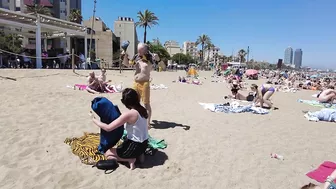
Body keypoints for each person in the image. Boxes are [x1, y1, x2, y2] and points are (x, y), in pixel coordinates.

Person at [92, 88, 149, 170]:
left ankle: (130, 159)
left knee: (107, 153)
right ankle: (139, 155)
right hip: (144, 144)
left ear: (124, 102)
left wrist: (94, 120)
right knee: (125, 144)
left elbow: (108, 128)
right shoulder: (142, 110)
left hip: (134, 146)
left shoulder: (130, 114)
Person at [121, 43, 159, 128]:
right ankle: (134, 118)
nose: (139, 52)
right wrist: (124, 55)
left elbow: (157, 60)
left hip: (144, 83)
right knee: (133, 102)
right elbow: (127, 64)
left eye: (140, 50)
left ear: (145, 50)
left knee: (146, 103)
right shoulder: (136, 57)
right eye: (138, 50)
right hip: (136, 82)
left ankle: (147, 123)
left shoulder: (150, 57)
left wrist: (157, 57)